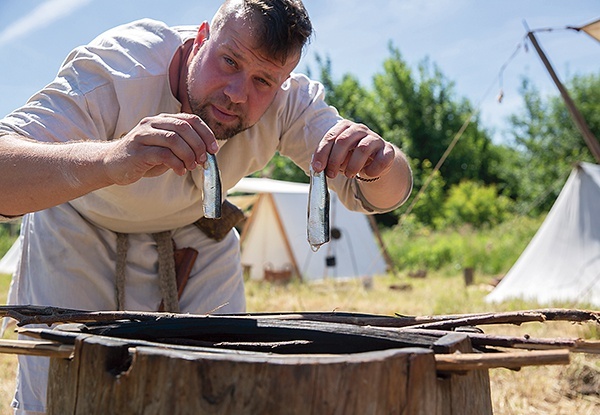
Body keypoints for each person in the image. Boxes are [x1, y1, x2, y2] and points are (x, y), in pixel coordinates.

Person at [0, 0, 413, 413]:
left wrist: (378, 163)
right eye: (229, 61)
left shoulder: (290, 103)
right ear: (201, 39)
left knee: (223, 387)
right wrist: (112, 159)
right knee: (58, 398)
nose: (237, 93)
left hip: (197, 235)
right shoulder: (118, 71)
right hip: (79, 228)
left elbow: (381, 195)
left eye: (263, 81)